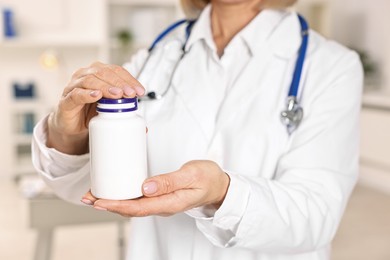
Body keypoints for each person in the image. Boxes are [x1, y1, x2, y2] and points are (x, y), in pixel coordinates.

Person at [32, 0, 363, 259]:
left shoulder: (331, 66)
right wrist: (67, 133)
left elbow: (316, 215)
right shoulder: (156, 56)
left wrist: (223, 194)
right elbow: (81, 187)